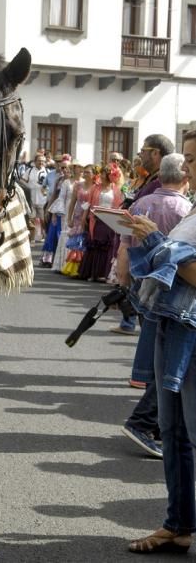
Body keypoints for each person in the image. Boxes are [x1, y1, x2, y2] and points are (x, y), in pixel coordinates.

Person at [125, 130, 196, 555]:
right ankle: (178, 525)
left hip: (191, 331)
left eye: (192, 158)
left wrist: (156, 241)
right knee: (172, 432)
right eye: (186, 157)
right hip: (171, 325)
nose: (186, 166)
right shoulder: (191, 211)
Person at [117, 153, 191, 459]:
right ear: (184, 176)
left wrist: (122, 279)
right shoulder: (185, 209)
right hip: (175, 295)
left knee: (159, 355)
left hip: (144, 283)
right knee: (173, 366)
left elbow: (124, 245)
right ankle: (146, 422)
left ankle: (156, 424)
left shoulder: (141, 203)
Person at [110, 134, 175, 334]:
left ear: (156, 153)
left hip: (146, 257)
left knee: (150, 326)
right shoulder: (151, 179)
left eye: (143, 151)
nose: (140, 155)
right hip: (144, 255)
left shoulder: (158, 184)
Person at [78, 163, 123, 282]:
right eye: (101, 173)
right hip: (96, 219)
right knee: (95, 244)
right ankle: (93, 273)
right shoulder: (95, 187)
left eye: (104, 173)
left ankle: (104, 273)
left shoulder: (116, 190)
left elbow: (118, 206)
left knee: (107, 246)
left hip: (110, 220)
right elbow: (88, 204)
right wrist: (84, 218)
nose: (101, 175)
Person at [62, 164, 96, 278]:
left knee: (87, 241)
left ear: (94, 174)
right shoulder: (78, 185)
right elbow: (72, 202)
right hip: (78, 215)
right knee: (77, 241)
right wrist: (69, 218)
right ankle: (74, 269)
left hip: (90, 216)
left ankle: (85, 268)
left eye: (88, 172)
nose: (85, 174)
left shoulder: (96, 186)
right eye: (84, 172)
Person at [22, 153, 47, 242]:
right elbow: (23, 181)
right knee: (31, 218)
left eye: (43, 161)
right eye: (39, 160)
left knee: (43, 219)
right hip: (31, 199)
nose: (41, 162)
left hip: (42, 200)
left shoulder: (47, 171)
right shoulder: (29, 170)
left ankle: (44, 235)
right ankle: (32, 237)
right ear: (35, 161)